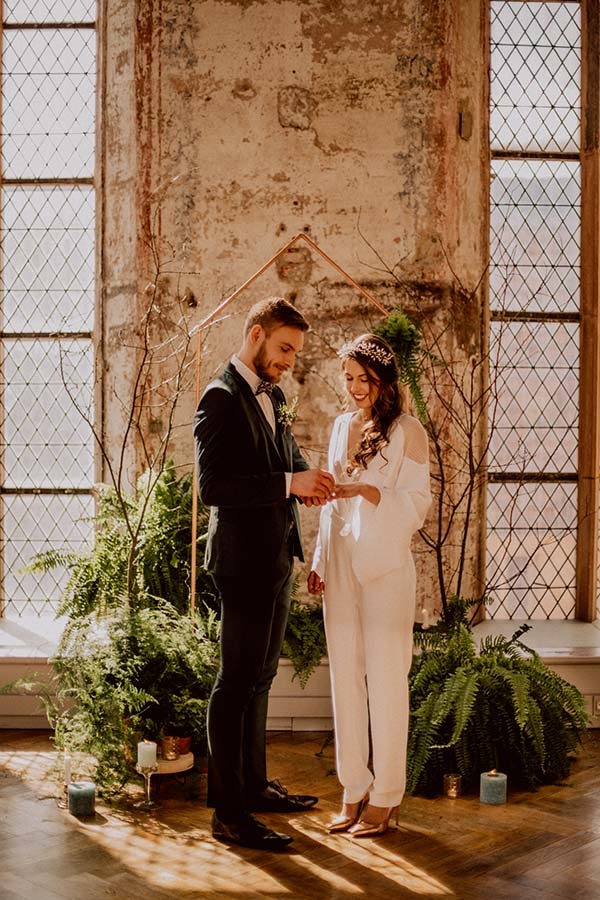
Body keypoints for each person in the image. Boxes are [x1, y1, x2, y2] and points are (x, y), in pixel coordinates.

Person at [194, 296, 334, 851]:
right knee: (233, 685)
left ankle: (253, 788)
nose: (289, 362)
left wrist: (316, 479)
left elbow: (287, 458)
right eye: (283, 349)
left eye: (294, 353)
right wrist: (287, 485)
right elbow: (213, 488)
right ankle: (228, 815)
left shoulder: (272, 394)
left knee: (261, 679)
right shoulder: (220, 397)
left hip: (276, 558)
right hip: (241, 563)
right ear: (256, 335)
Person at [308, 333, 431, 837]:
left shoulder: (408, 430)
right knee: (345, 680)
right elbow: (333, 501)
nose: (356, 388)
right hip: (339, 564)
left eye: (365, 379)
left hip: (384, 569)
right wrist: (319, 557)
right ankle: (354, 787)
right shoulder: (340, 427)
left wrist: (369, 490)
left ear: (384, 381)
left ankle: (386, 796)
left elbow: (417, 503)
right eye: (350, 378)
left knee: (385, 681)